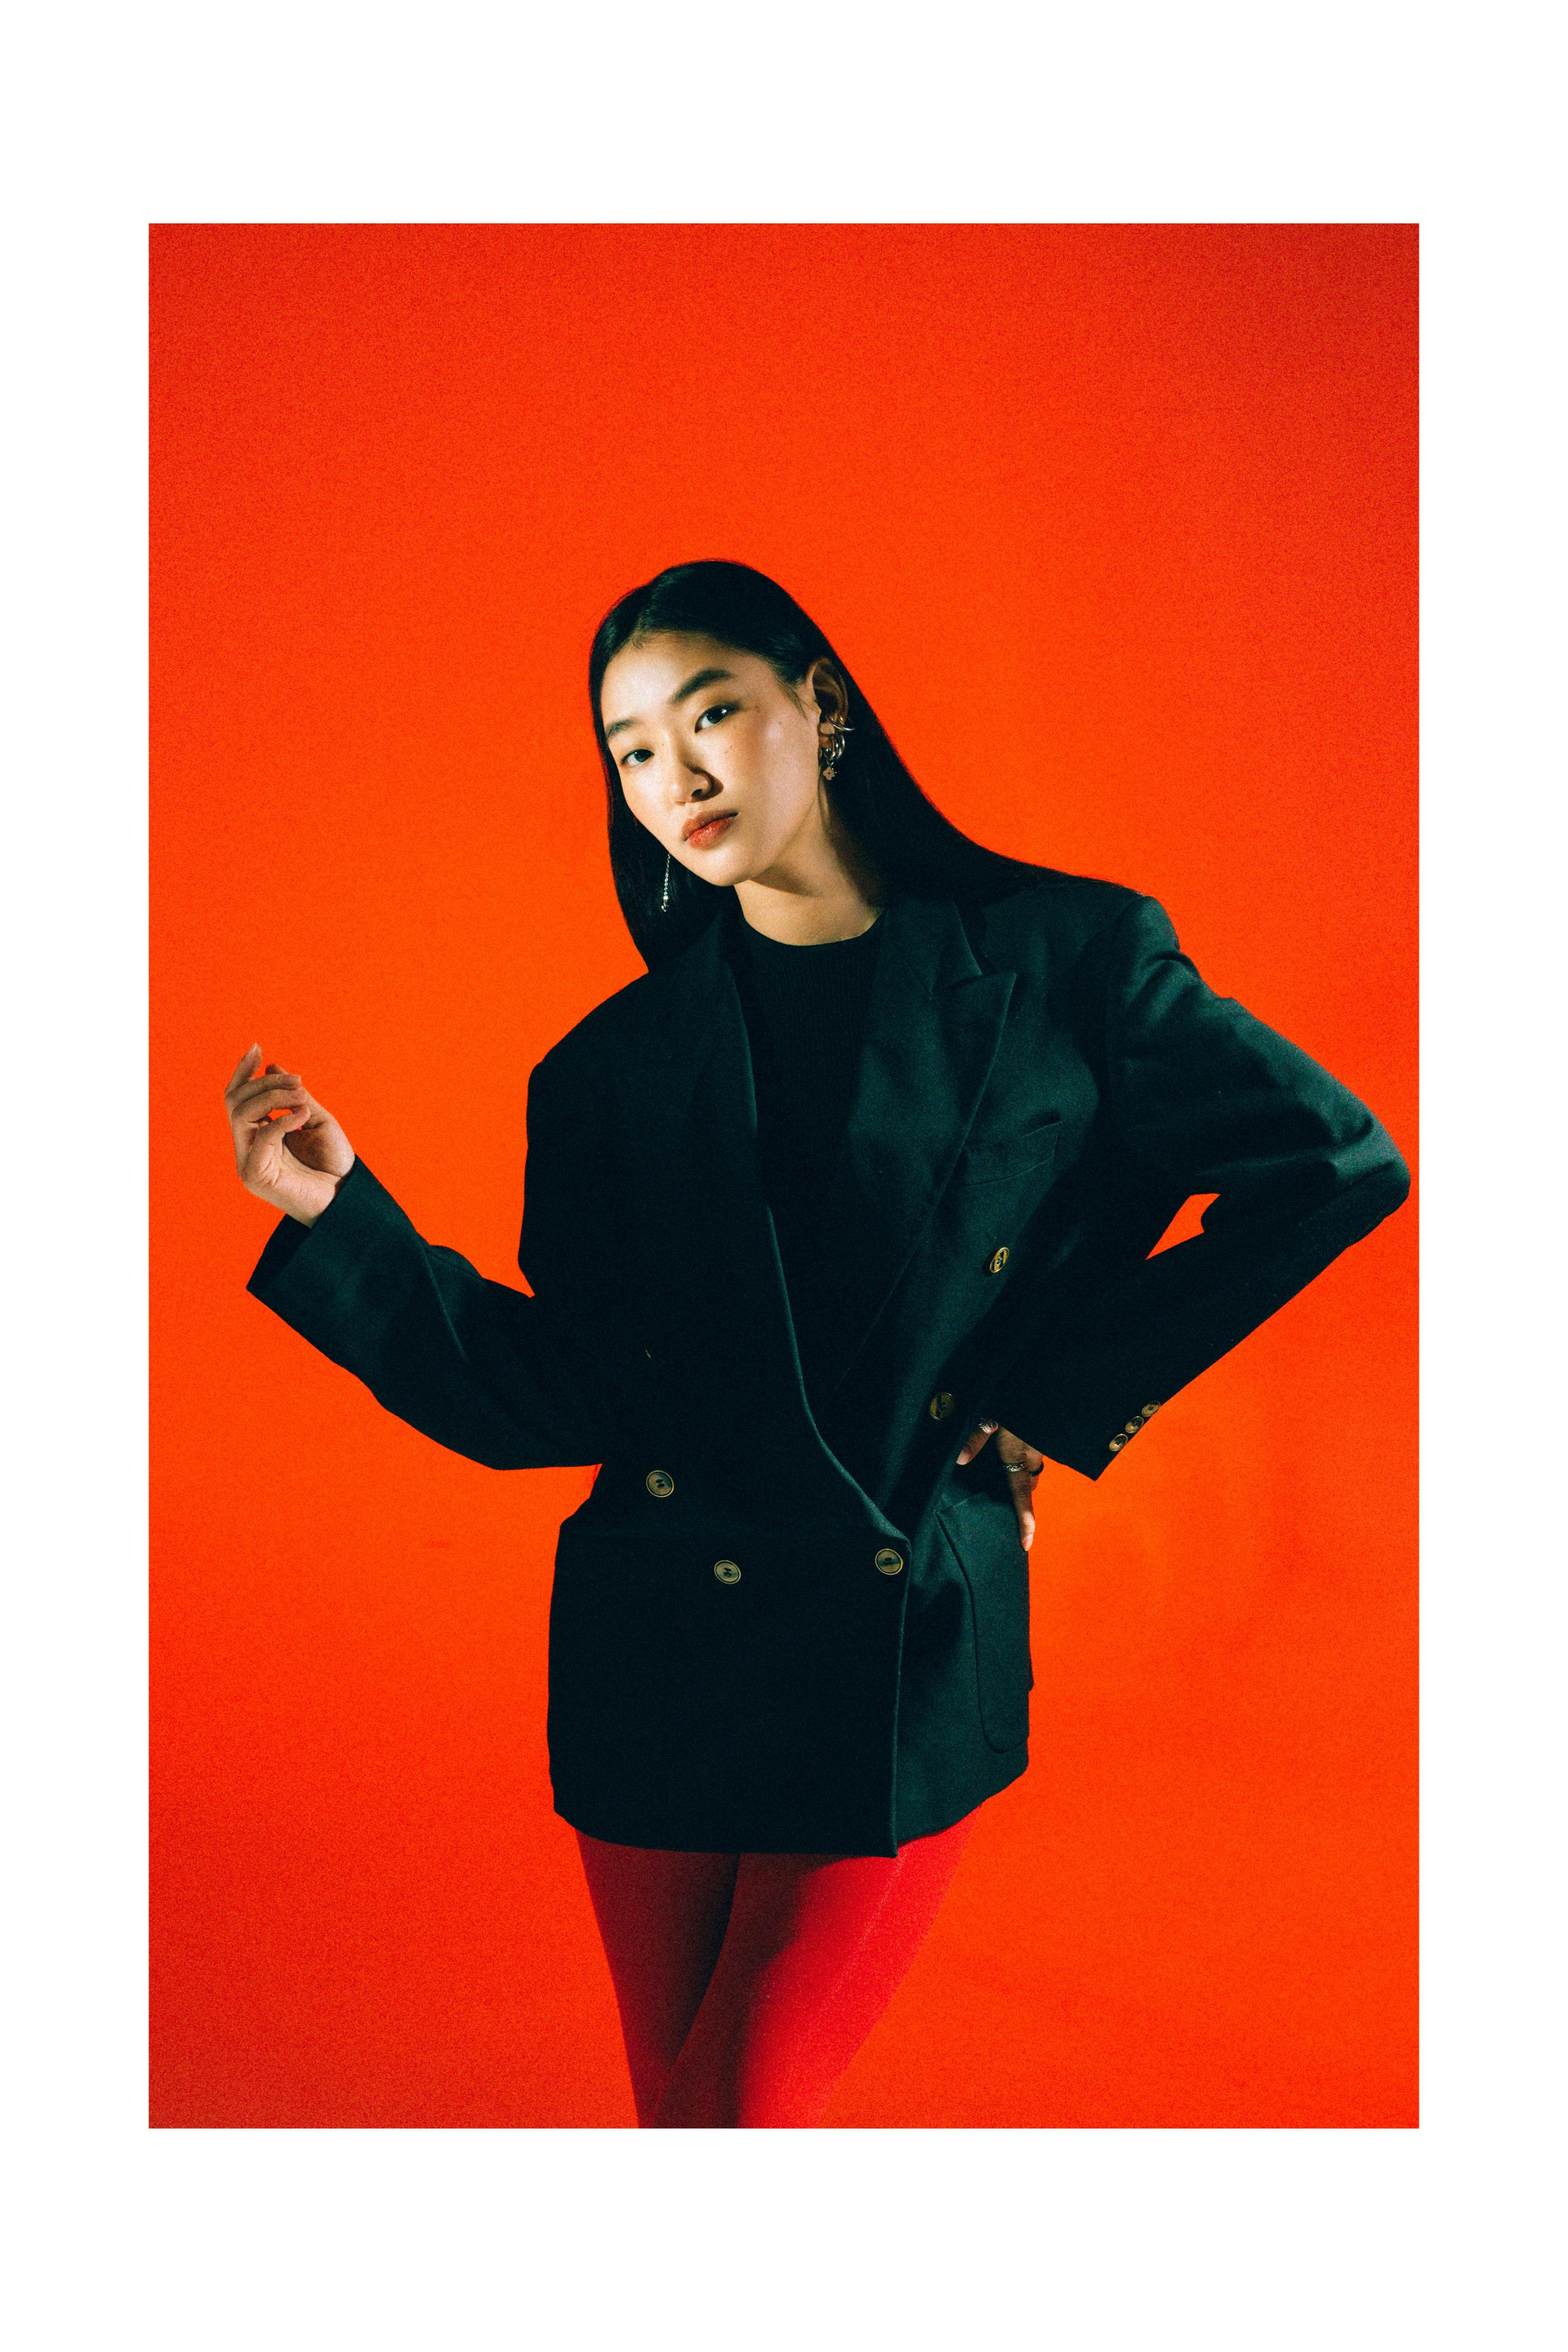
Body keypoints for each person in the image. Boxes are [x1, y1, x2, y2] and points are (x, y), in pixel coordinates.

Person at [225, 559, 1410, 2128]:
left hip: (891, 1635)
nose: (677, 776)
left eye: (711, 714)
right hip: (660, 1651)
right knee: (684, 2127)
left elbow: (1333, 1167)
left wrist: (1052, 1404)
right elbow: (557, 1400)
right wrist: (339, 1218)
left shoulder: (1065, 958)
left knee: (734, 2119)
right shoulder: (608, 1069)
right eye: (632, 750)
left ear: (822, 705)